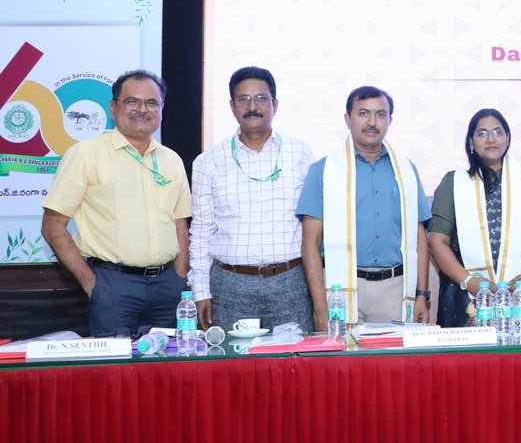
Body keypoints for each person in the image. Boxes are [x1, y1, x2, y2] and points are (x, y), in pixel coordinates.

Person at [41, 69, 191, 336]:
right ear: (113, 107)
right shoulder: (85, 155)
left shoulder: (172, 160)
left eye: (151, 103)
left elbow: (180, 225)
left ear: (161, 108)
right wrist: (92, 284)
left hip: (168, 288)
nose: (142, 109)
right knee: (116, 374)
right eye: (132, 101)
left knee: (165, 371)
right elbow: (53, 226)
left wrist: (178, 278)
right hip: (113, 285)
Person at [188, 67, 315, 332]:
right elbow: (200, 232)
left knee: (293, 366)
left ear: (275, 104)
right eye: (243, 99)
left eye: (261, 98)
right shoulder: (208, 161)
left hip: (290, 281)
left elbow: (314, 226)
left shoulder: (301, 153)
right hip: (231, 285)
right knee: (232, 368)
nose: (252, 106)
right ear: (232, 106)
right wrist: (200, 291)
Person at [296, 86, 431, 328]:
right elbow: (310, 244)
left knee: (393, 365)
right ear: (348, 119)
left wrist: (422, 294)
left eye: (381, 114)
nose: (372, 122)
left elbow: (419, 235)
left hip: (396, 289)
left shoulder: (406, 171)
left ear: (390, 120)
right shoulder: (323, 171)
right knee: (342, 366)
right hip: (339, 289)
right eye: (363, 113)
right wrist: (319, 307)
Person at [428, 109, 521, 326]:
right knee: (467, 360)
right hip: (464, 298)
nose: (491, 139)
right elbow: (437, 242)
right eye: (482, 133)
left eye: (497, 132)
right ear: (471, 142)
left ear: (508, 138)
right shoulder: (452, 183)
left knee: (518, 359)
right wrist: (468, 281)